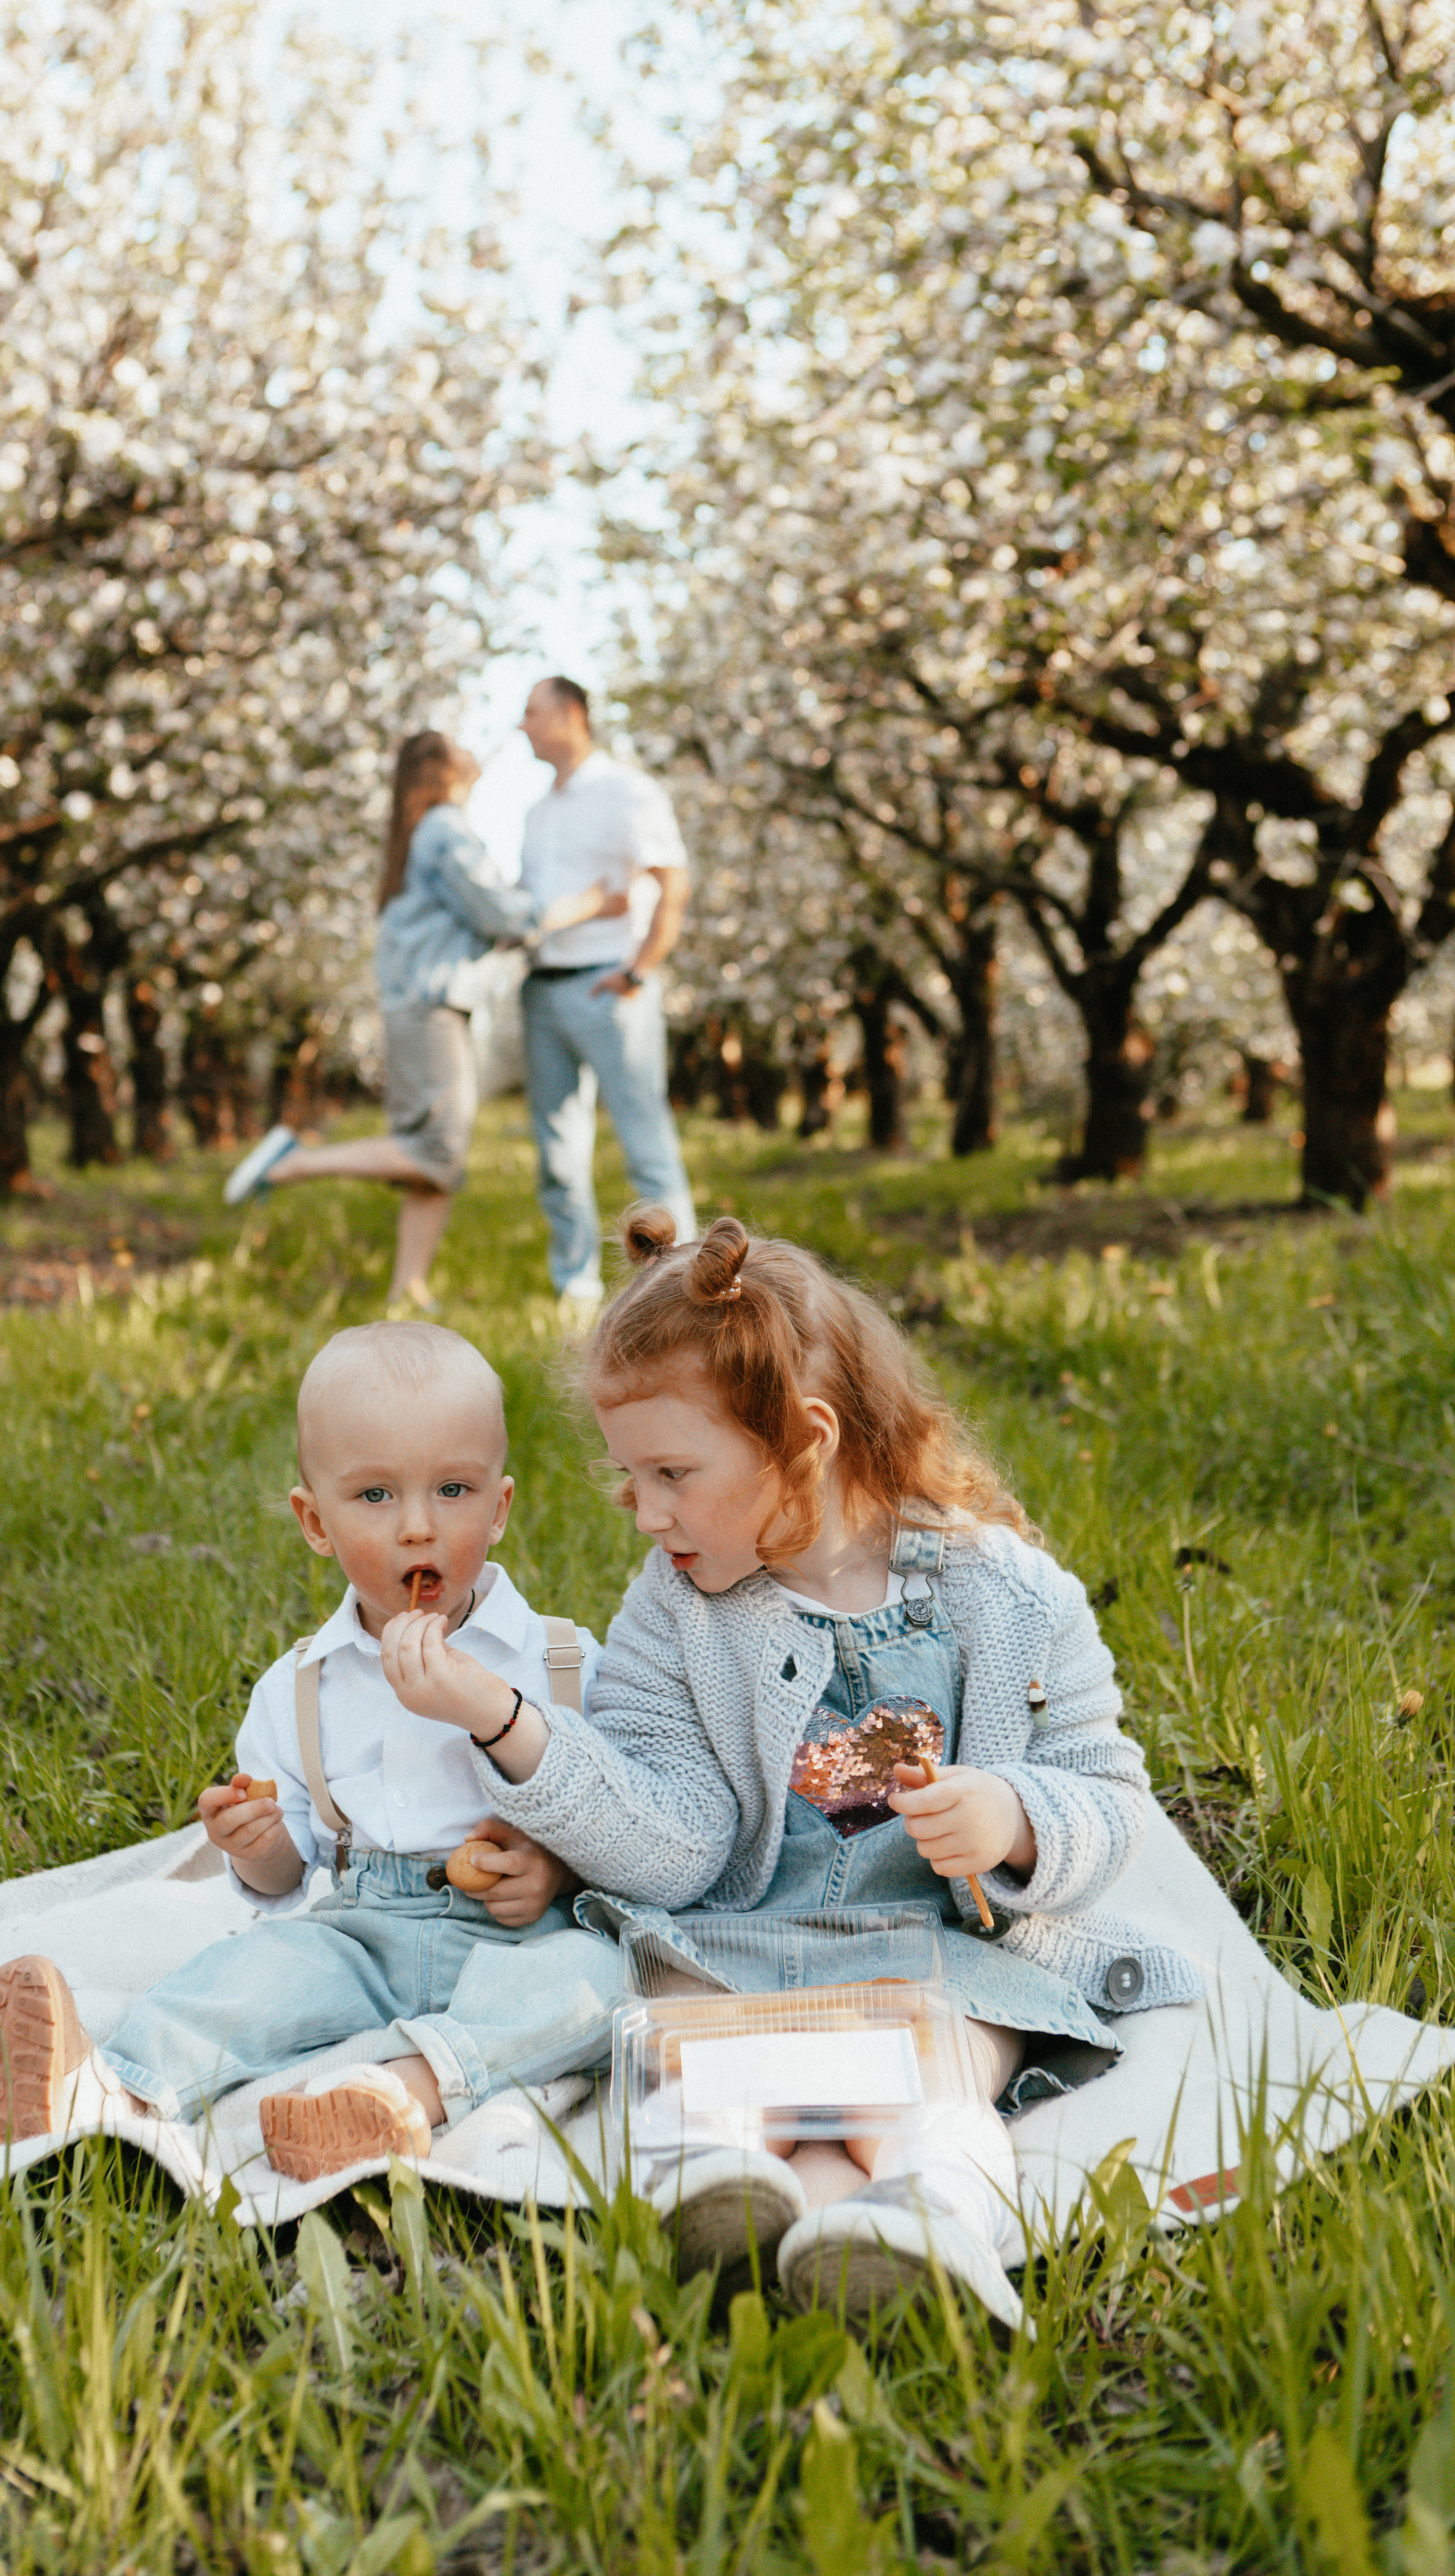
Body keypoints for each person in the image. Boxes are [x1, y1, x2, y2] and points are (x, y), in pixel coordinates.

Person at [376, 1211, 1200, 2325]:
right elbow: (671, 1849)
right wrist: (505, 1721)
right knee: (707, 2069)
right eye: (631, 1477)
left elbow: (1105, 1792)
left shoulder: (1009, 1598)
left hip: (939, 1958)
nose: (645, 1514)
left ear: (806, 1442)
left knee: (946, 2069)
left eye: (672, 1473)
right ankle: (722, 2189)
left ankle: (928, 2213)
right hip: (736, 1949)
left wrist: (1015, 1818)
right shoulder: (674, 1615)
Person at [0, 1321, 623, 2183]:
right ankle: (106, 2088)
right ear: (315, 1522)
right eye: (375, 1496)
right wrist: (256, 1842)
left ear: (498, 1509)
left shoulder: (561, 1661)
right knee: (252, 1973)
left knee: (600, 1979)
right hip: (363, 1930)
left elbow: (623, 1822)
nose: (418, 1528)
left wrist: (558, 1871)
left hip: (520, 1937)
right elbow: (287, 1873)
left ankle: (400, 2095)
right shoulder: (302, 1686)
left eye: (452, 1490)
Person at [224, 729, 627, 1316]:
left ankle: (408, 1287)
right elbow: (502, 913)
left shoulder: (419, 832)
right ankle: (291, 1162)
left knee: (433, 1162)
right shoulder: (444, 828)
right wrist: (588, 904)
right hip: (431, 1009)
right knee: (438, 1151)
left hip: (421, 1006)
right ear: (446, 773)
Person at [516, 676, 697, 1321]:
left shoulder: (628, 791)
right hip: (543, 989)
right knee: (558, 1154)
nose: (522, 725)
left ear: (570, 715)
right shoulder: (537, 812)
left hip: (608, 987)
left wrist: (638, 971)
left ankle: (684, 1288)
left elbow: (672, 882)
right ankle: (577, 1287)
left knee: (646, 1144)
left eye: (531, 712)